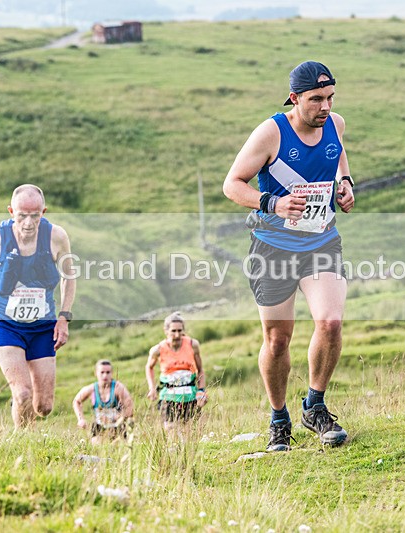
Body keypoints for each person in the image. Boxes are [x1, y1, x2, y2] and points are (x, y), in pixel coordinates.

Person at [222, 60, 355, 452]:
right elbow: (232, 185)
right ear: (295, 99)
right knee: (278, 340)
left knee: (330, 322)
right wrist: (273, 204)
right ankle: (278, 417)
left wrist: (345, 184)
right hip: (273, 247)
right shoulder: (271, 133)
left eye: (330, 97)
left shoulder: (336, 123)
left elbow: (339, 155)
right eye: (316, 100)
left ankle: (314, 405)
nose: (325, 107)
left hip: (320, 241)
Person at [0, 184, 76, 429]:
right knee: (23, 393)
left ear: (43, 212)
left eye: (35, 216)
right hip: (5, 325)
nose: (28, 222)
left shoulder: (57, 237)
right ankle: (21, 441)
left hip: (42, 325)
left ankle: (22, 414)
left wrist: (63, 318)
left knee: (44, 406)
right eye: (21, 215)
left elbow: (70, 277)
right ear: (10, 211)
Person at [146, 312, 207, 430]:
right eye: (173, 331)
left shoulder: (193, 344)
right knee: (171, 429)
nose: (177, 334)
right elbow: (149, 367)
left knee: (190, 431)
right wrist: (152, 388)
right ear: (166, 331)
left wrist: (201, 391)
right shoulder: (157, 350)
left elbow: (200, 370)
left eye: (180, 330)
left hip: (190, 395)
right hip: (168, 396)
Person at [73, 359, 134, 444]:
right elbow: (76, 401)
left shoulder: (118, 388)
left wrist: (121, 416)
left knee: (118, 450)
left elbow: (130, 408)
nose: (105, 375)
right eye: (102, 372)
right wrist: (81, 419)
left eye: (108, 372)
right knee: (96, 448)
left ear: (112, 373)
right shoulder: (91, 389)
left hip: (117, 427)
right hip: (99, 427)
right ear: (96, 373)